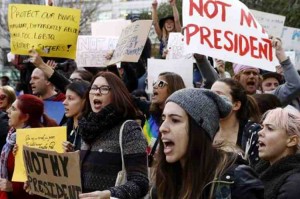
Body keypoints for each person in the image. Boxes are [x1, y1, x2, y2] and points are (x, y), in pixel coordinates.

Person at [153, 88, 264, 199]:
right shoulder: (164, 181)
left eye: (175, 120)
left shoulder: (236, 182)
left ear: (199, 129)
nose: (162, 128)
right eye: (163, 119)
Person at [78, 71, 148, 199]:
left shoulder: (128, 129)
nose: (97, 92)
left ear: (116, 94)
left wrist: (109, 194)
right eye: (93, 88)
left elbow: (140, 183)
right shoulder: (86, 129)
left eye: (104, 89)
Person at [0, 94, 57, 199]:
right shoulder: (12, 135)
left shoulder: (39, 142)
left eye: (13, 109)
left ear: (25, 117)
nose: (7, 111)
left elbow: (45, 185)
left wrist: (13, 187)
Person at [211, 78, 261, 166]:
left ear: (236, 105)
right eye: (210, 95)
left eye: (219, 95)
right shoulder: (205, 129)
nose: (212, 100)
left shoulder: (253, 133)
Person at [256, 107, 300, 199]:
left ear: (292, 140)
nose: (260, 132)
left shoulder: (294, 184)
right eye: (262, 127)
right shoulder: (259, 171)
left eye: (270, 128)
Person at [145, 72, 185, 164]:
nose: (155, 86)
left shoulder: (182, 121)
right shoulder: (151, 116)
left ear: (173, 88)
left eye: (161, 84)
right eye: (154, 83)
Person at [62, 80, 90, 152]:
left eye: (70, 98)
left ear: (84, 101)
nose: (64, 102)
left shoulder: (90, 130)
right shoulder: (64, 128)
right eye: (65, 98)